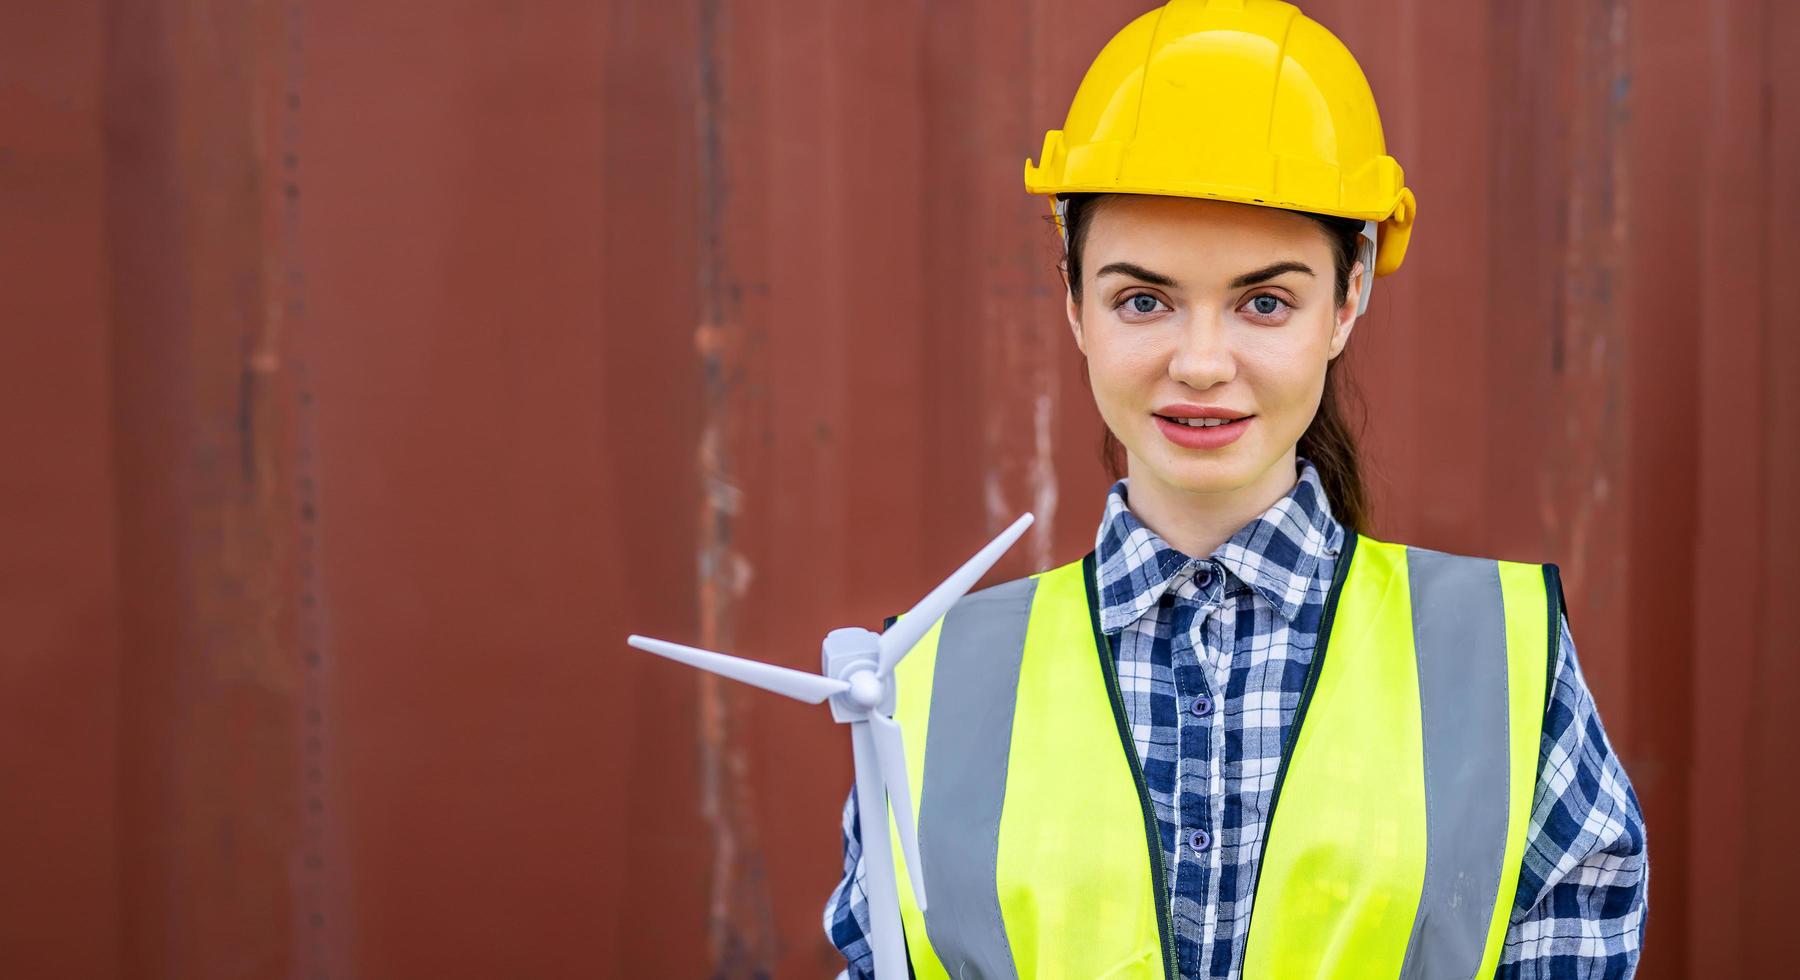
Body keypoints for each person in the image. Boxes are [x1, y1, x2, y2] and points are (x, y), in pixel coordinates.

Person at [824, 0, 1647, 976]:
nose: (1202, 362)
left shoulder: (1503, 660)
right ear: (1073, 299)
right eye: (1144, 299)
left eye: (1264, 301)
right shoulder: (921, 681)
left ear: (1349, 299)